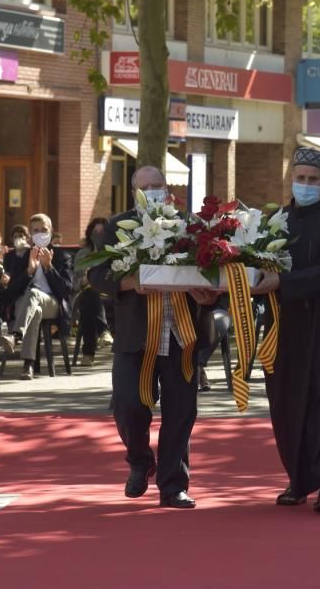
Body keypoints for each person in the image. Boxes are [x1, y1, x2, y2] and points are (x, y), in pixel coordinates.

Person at [89, 165, 218, 510]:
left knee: (180, 412)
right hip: (136, 337)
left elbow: (209, 272)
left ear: (169, 188)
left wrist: (209, 295)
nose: (153, 192)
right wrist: (129, 282)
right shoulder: (118, 227)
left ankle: (173, 485)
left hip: (180, 334)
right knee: (129, 405)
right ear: (134, 193)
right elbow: (96, 273)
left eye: (158, 185)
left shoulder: (189, 226)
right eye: (146, 187)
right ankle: (140, 461)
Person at [250, 147, 320, 513]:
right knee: (286, 405)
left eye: (313, 179)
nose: (305, 185)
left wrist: (282, 282)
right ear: (291, 178)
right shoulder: (274, 221)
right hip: (285, 330)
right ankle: (297, 479)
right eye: (300, 178)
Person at [4, 213, 73, 379]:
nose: (40, 233)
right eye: (36, 230)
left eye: (44, 229)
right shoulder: (22, 257)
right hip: (26, 305)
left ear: (51, 231)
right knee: (35, 310)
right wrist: (29, 272)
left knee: (34, 294)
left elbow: (67, 290)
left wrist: (49, 267)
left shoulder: (63, 256)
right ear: (30, 234)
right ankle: (28, 365)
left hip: (52, 303)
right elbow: (11, 291)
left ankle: (15, 335)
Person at [74, 217, 113, 367]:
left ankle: (88, 353)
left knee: (88, 307)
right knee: (89, 295)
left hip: (110, 296)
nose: (98, 236)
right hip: (86, 293)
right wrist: (86, 277)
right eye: (95, 232)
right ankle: (104, 331)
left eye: (102, 232)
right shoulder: (84, 254)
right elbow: (75, 285)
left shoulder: (114, 253)